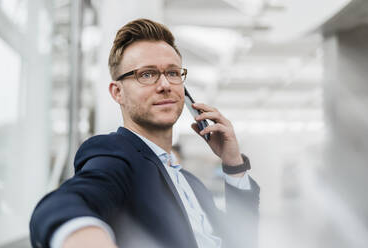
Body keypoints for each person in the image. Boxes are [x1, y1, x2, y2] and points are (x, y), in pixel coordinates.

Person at [29, 18, 259, 248]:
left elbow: (241, 237)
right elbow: (66, 203)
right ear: (117, 92)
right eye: (147, 74)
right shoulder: (116, 155)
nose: (165, 84)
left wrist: (233, 164)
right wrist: (79, 233)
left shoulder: (193, 185)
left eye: (173, 73)